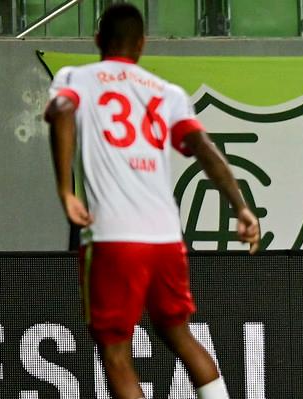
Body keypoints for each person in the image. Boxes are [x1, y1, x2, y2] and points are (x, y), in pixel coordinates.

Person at [43, 4, 261, 399]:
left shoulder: (75, 77)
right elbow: (203, 148)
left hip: (114, 236)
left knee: (114, 352)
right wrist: (240, 206)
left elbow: (62, 110)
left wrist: (64, 190)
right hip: (165, 239)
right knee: (178, 334)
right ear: (141, 44)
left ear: (97, 41)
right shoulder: (167, 92)